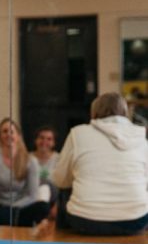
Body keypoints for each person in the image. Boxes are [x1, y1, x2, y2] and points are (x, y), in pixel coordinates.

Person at [52, 92, 148, 235]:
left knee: (65, 188)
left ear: (94, 113)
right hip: (136, 221)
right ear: (125, 113)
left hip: (85, 221)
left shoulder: (78, 133)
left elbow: (60, 179)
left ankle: (60, 243)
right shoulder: (141, 137)